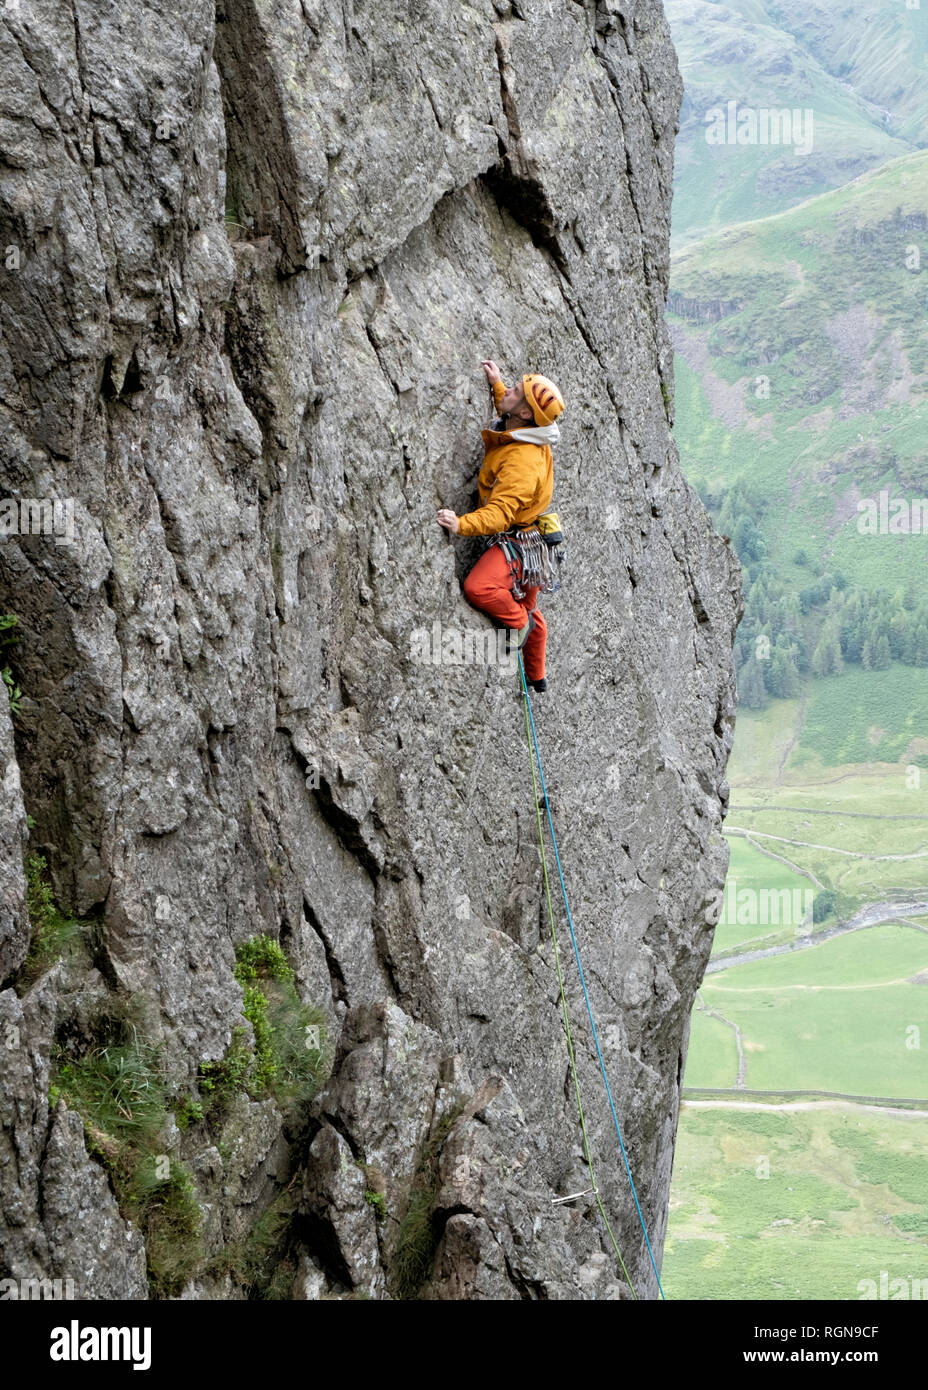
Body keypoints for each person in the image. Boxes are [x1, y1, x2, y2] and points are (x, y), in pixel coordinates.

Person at [437, 360, 564, 692]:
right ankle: (537, 677)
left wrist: (461, 524)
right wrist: (497, 385)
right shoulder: (531, 430)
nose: (509, 391)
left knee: (481, 588)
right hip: (536, 543)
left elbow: (499, 515)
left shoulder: (522, 463)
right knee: (530, 606)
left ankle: (519, 625)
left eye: (516, 391)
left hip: (520, 544)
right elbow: (511, 414)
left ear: (525, 413)